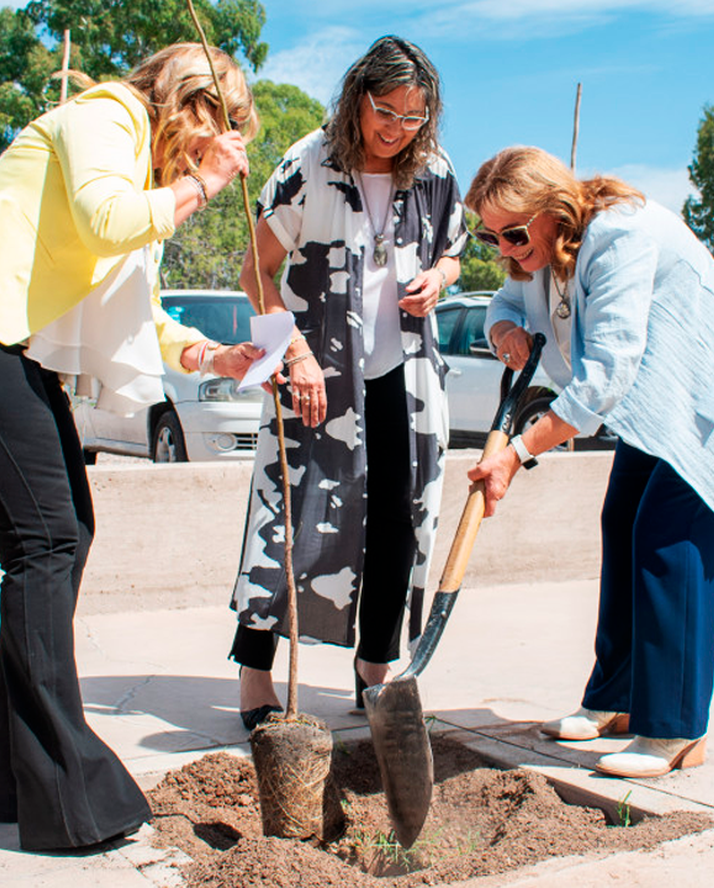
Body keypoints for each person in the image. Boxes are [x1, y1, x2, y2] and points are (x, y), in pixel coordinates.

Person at [0, 43, 262, 851]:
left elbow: (130, 298)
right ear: (190, 105)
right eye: (208, 136)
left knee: (61, 535)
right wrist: (203, 183)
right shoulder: (106, 114)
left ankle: (17, 780)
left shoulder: (133, 170)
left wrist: (205, 355)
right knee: (46, 538)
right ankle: (66, 798)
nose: (201, 157)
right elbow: (102, 223)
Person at [464, 146, 714, 779]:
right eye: (493, 238)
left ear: (552, 209)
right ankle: (618, 700)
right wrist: (502, 332)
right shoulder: (543, 251)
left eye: (515, 234)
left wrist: (516, 453)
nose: (506, 249)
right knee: (622, 522)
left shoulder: (617, 232)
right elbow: (505, 302)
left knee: (667, 537)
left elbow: (604, 378)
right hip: (659, 404)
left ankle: (676, 727)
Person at [229, 35, 466, 730]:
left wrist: (439, 280)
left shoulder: (435, 171)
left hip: (405, 377)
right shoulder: (307, 164)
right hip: (316, 372)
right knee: (288, 516)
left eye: (412, 117)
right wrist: (293, 354)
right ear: (357, 98)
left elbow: (453, 253)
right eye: (384, 111)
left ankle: (374, 672)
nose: (396, 129)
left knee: (399, 519)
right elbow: (255, 272)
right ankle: (253, 677)